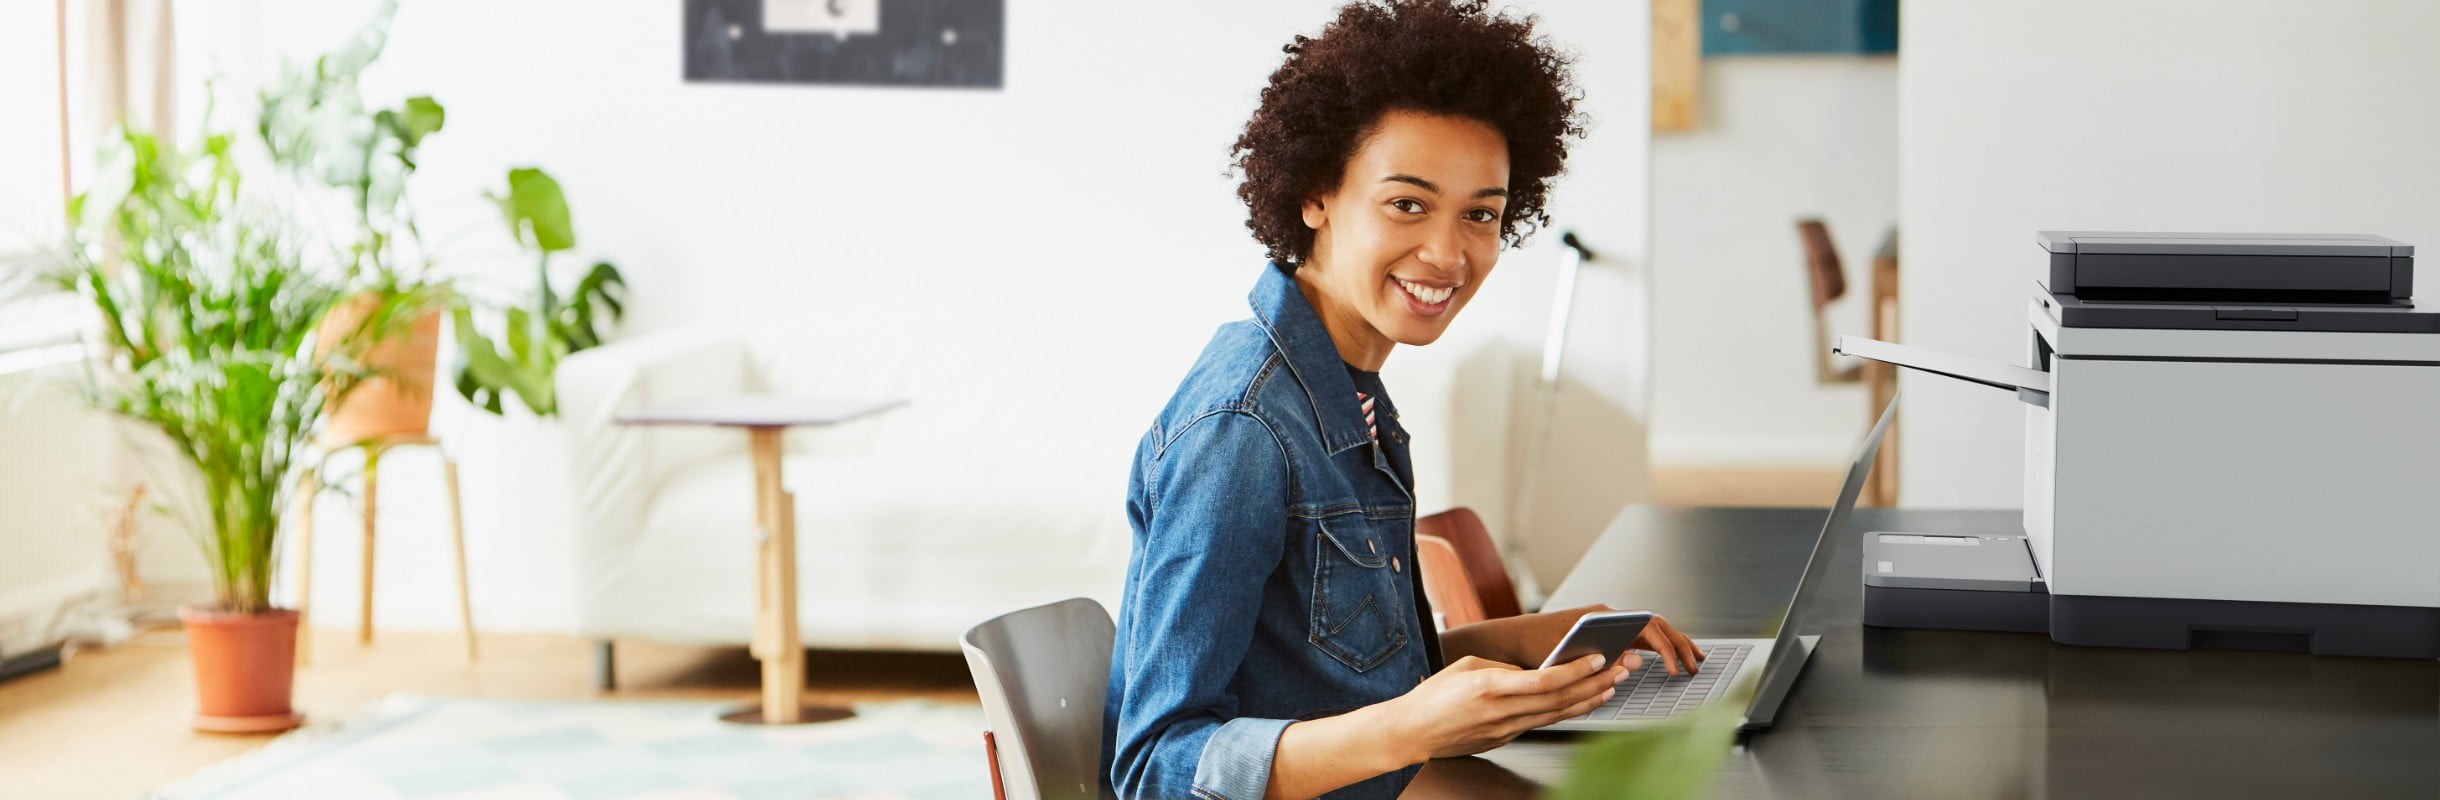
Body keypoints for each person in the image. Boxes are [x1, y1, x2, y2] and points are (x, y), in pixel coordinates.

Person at [1101, 2, 1706, 798]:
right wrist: (1416, 726)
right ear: (1317, 195)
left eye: (1481, 214)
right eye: (1407, 204)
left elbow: (1351, 678)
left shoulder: (1354, 398)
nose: (1449, 254)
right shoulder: (1242, 430)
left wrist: (1533, 640)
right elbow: (1157, 767)